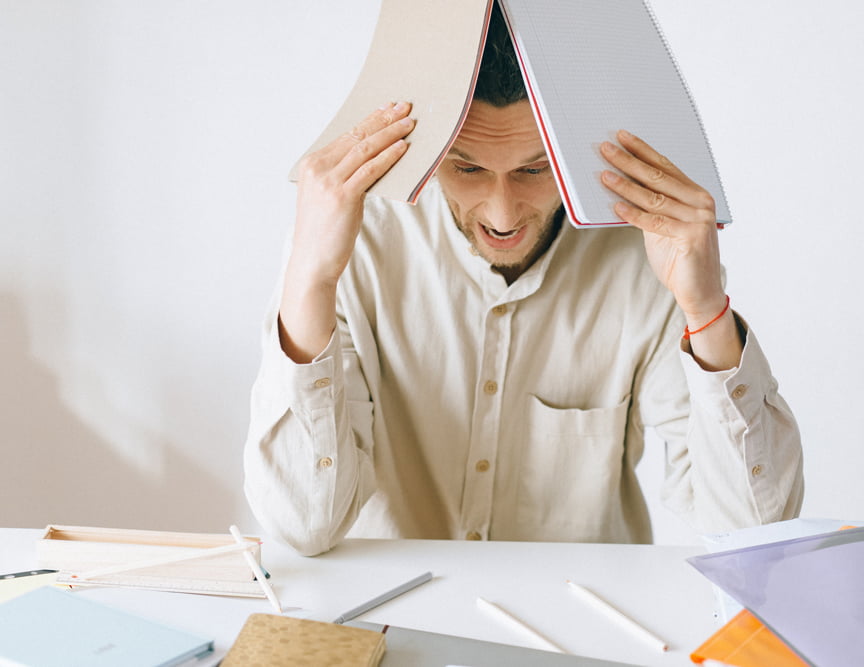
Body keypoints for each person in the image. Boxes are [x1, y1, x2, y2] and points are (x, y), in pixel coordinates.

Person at [244, 12, 803, 556]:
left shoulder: (647, 258)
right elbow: (304, 525)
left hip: (576, 629)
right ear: (429, 153)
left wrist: (705, 307)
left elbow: (752, 530)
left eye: (535, 171)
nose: (503, 214)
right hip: (391, 623)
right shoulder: (355, 246)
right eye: (467, 168)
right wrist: (310, 277)